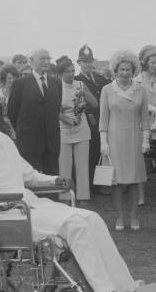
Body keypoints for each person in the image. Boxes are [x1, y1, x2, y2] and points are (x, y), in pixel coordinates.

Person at [0, 17, 135, 292]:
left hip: (25, 205)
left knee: (91, 218)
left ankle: (127, 290)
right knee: (74, 225)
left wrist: (56, 179)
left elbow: (28, 174)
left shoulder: (0, 138)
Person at [99, 50, 150, 231]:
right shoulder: (107, 90)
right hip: (113, 139)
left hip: (134, 138)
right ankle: (120, 217)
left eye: (128, 69)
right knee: (117, 181)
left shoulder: (140, 90)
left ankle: (134, 216)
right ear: (116, 70)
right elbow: (103, 118)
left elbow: (145, 117)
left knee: (134, 179)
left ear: (133, 70)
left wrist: (146, 139)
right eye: (122, 69)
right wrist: (103, 142)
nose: (125, 73)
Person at [7, 48, 62, 175]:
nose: (46, 62)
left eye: (48, 58)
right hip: (29, 144)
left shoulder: (56, 83)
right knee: (31, 183)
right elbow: (12, 112)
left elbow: (55, 109)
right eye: (42, 59)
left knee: (52, 182)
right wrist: (25, 130)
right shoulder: (20, 84)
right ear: (32, 61)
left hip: (51, 144)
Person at [57, 57, 97, 203]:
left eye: (73, 71)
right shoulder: (57, 86)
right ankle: (65, 196)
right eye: (67, 71)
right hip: (64, 128)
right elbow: (54, 110)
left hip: (81, 127)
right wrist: (67, 119)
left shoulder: (80, 84)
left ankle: (83, 196)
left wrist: (84, 93)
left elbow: (95, 104)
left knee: (82, 164)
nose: (71, 74)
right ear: (61, 73)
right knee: (65, 165)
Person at [134, 44, 156, 206]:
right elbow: (136, 103)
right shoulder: (136, 81)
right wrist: (151, 112)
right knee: (142, 161)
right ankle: (140, 195)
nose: (155, 65)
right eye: (152, 62)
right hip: (142, 125)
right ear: (145, 62)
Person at [74, 44, 110, 192]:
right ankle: (88, 185)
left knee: (99, 151)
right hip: (86, 120)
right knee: (87, 153)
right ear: (79, 63)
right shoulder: (76, 80)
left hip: (102, 120)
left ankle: (99, 183)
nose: (88, 64)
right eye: (84, 61)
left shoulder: (101, 78)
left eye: (90, 61)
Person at [0, 64, 19, 139]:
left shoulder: (19, 93)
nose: (12, 80)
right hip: (3, 130)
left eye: (15, 78)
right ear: (4, 79)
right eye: (9, 78)